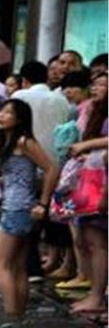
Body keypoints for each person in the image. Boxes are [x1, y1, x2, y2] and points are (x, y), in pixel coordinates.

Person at [0, 99, 59, 316]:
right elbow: (20, 174)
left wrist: (44, 203)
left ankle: (10, 314)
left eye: (8, 113)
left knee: (1, 264)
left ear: (20, 119)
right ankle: (18, 314)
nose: (1, 116)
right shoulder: (9, 142)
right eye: (1, 111)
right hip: (20, 206)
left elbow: (51, 169)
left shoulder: (24, 142)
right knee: (18, 265)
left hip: (17, 208)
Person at [65, 87, 108, 315]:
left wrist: (88, 146)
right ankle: (95, 293)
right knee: (88, 239)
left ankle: (97, 296)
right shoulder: (97, 112)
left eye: (103, 84)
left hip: (101, 185)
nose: (97, 88)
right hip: (92, 182)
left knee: (97, 243)